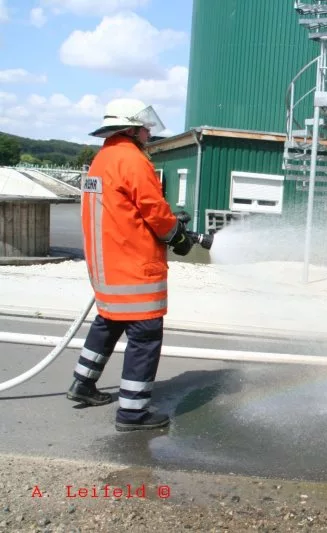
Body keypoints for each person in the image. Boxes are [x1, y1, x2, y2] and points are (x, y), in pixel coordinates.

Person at [66, 98, 194, 432]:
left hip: (106, 267)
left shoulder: (102, 159)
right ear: (132, 128)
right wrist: (176, 236)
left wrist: (172, 224)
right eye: (145, 127)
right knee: (145, 336)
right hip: (134, 266)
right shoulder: (132, 160)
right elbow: (153, 208)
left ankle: (83, 383)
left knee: (107, 323)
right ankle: (133, 413)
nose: (149, 133)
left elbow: (125, 209)